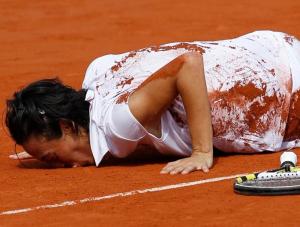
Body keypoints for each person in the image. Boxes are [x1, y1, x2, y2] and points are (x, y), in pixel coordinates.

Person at [6, 30, 300, 174]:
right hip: (265, 51)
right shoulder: (96, 73)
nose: (67, 167)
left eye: (54, 158)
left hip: (284, 95)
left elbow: (188, 64)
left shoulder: (117, 124)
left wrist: (201, 152)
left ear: (67, 125)